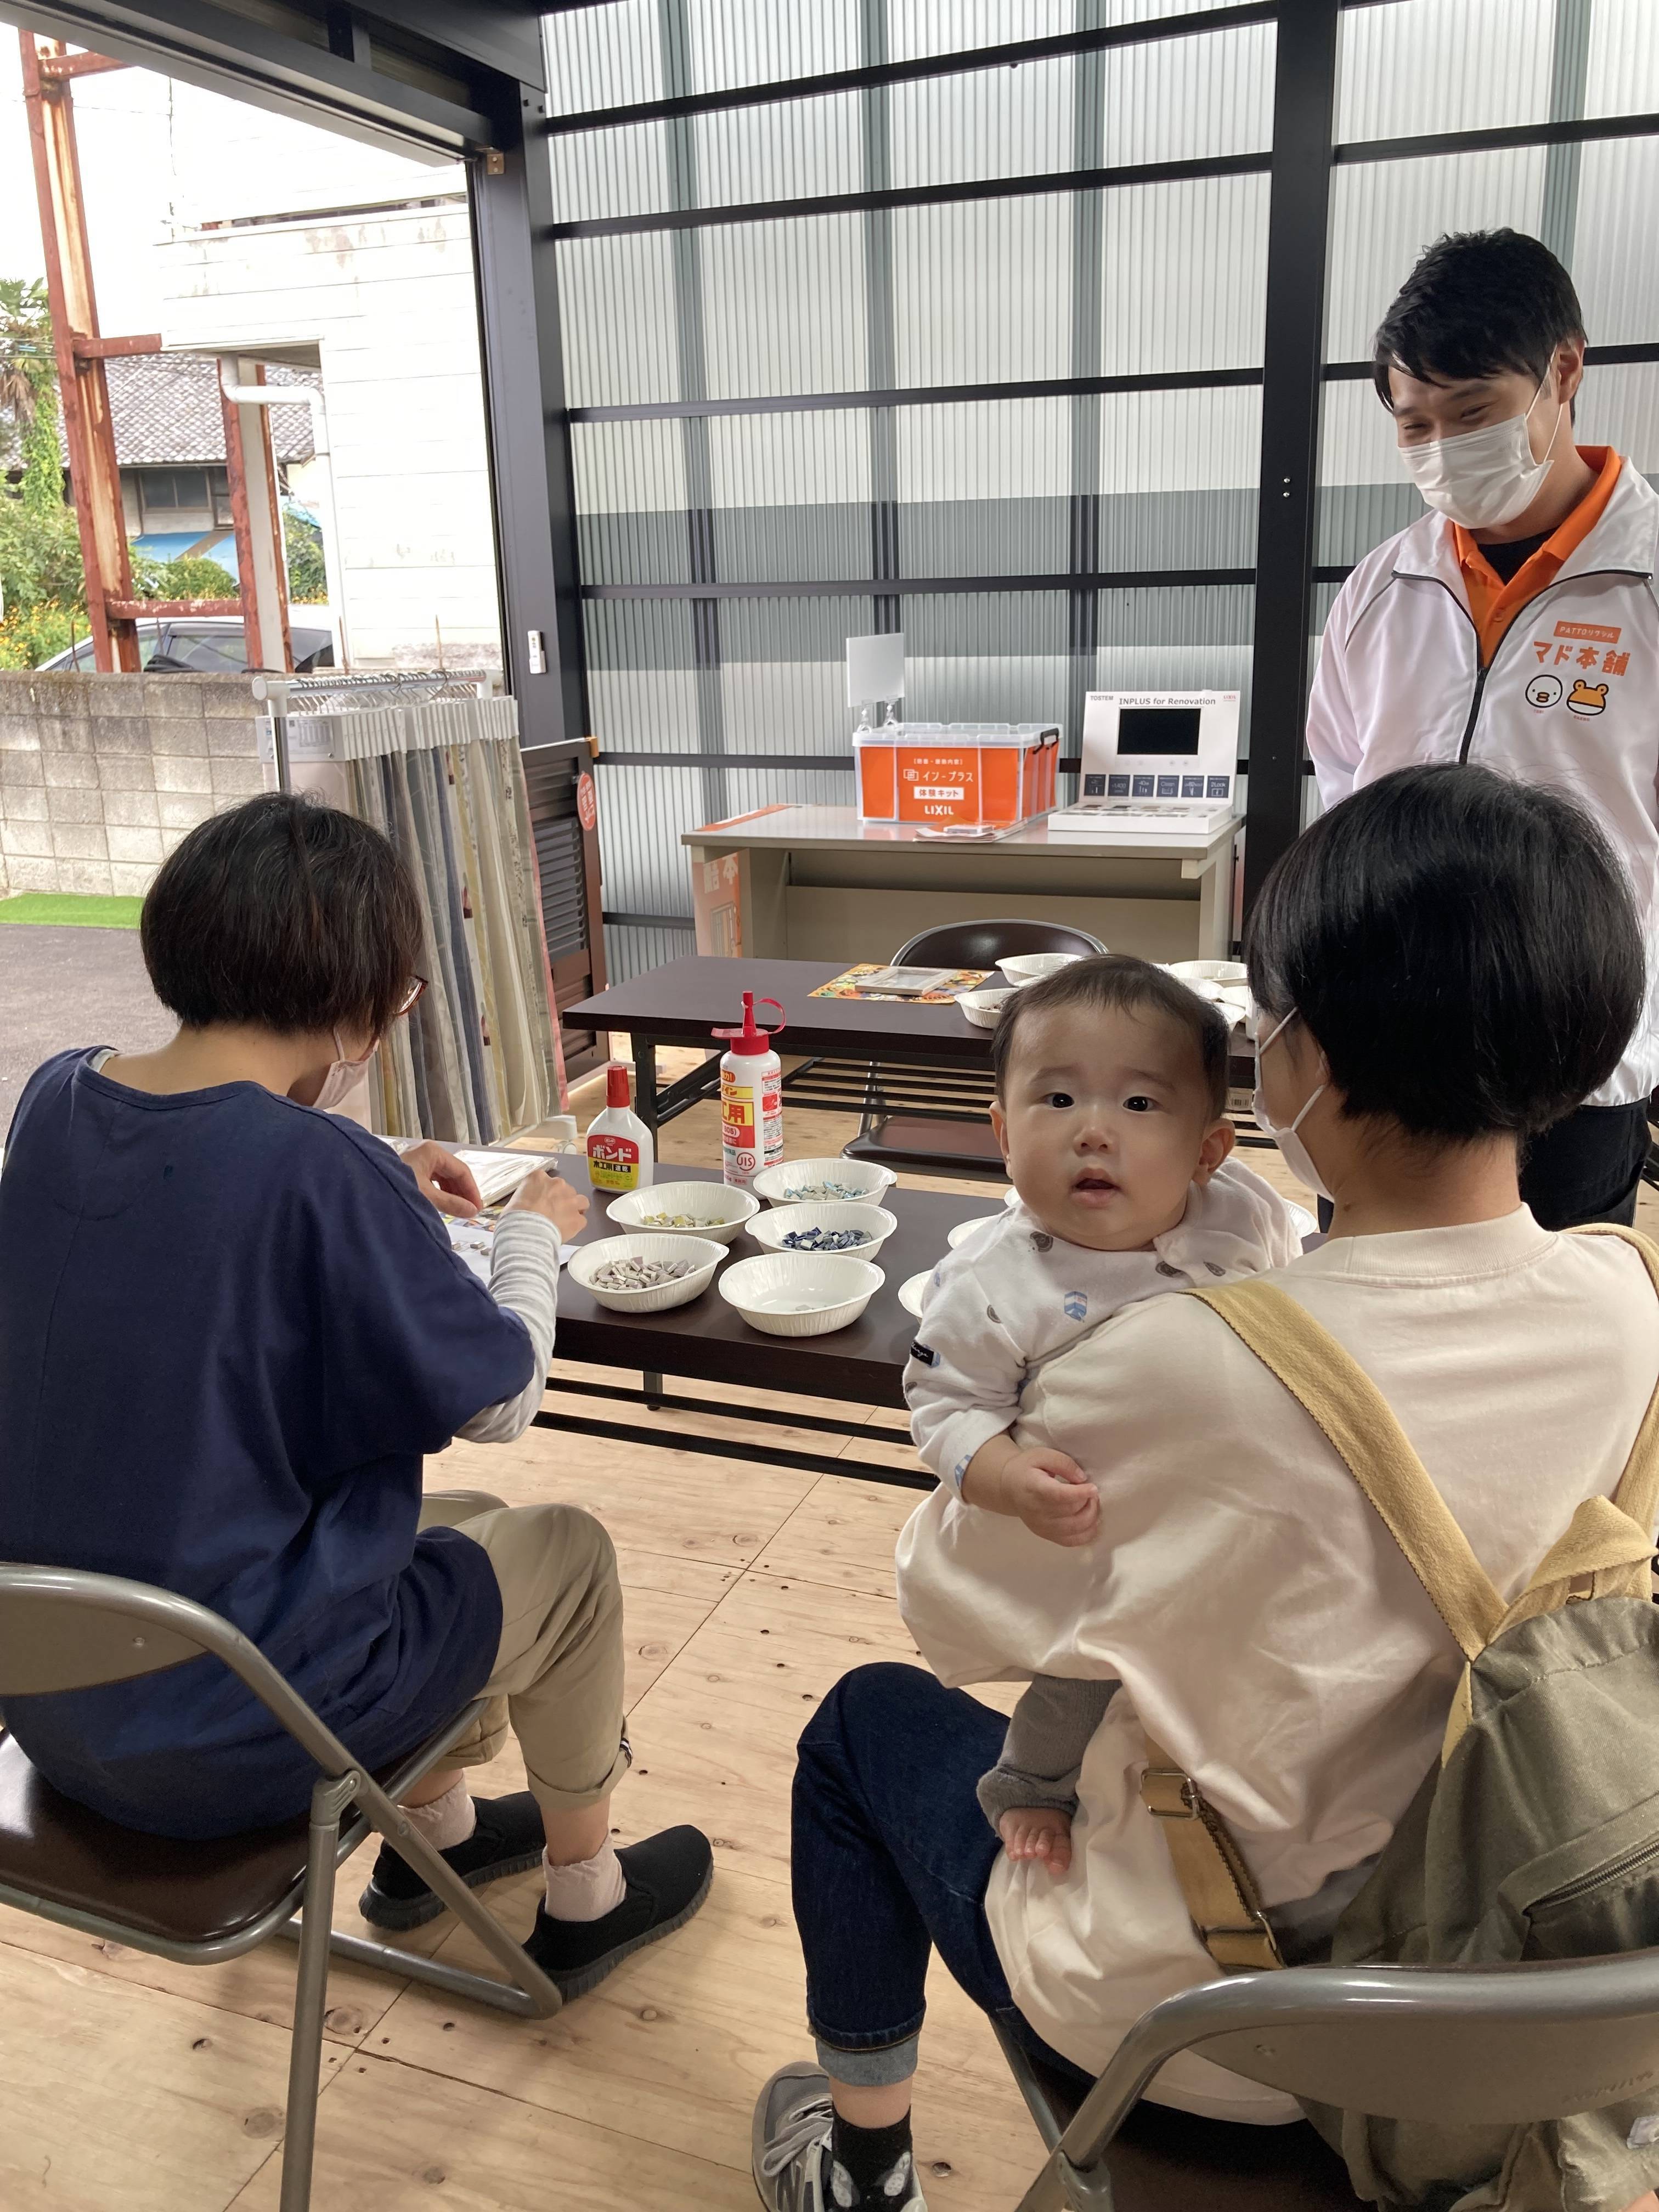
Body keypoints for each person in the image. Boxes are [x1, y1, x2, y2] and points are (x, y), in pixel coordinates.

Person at [752, 765, 1659, 2212]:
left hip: (1214, 2027)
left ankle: (862, 2160)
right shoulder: (1629, 1300)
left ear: (1297, 1061)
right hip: (1502, 1978)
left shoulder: (1183, 1366)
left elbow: (953, 1611)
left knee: (861, 1730)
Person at [0, 791, 710, 1991]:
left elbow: (198, 1161)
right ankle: (589, 1900)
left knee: (459, 1536)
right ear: (355, 1001)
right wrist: (532, 1228)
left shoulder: (57, 1097)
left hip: (61, 1707)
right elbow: (500, 1400)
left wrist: (383, 1162)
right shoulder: (314, 1173)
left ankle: (432, 1843)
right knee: (570, 1557)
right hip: (237, 1733)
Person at [903, 954, 1302, 1875]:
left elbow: (1289, 1288)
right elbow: (944, 1401)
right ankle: (1029, 1785)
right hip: (1099, 1537)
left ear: (1210, 1149)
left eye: (1139, 1105)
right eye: (1056, 1102)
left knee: (1230, 1665)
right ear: (1002, 1132)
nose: (1093, 1134)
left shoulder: (1242, 1214)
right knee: (1080, 1676)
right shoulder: (995, 1283)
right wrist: (1003, 1476)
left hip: (1223, 1516)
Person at [1307, 227, 1659, 1229]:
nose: (1443, 449)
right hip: (1390, 1040)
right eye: (1414, 424)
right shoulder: (1382, 586)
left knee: (1555, 1342)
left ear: (1565, 370)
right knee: (1366, 1327)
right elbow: (1343, 786)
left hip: (1577, 1051)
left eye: (1473, 413)